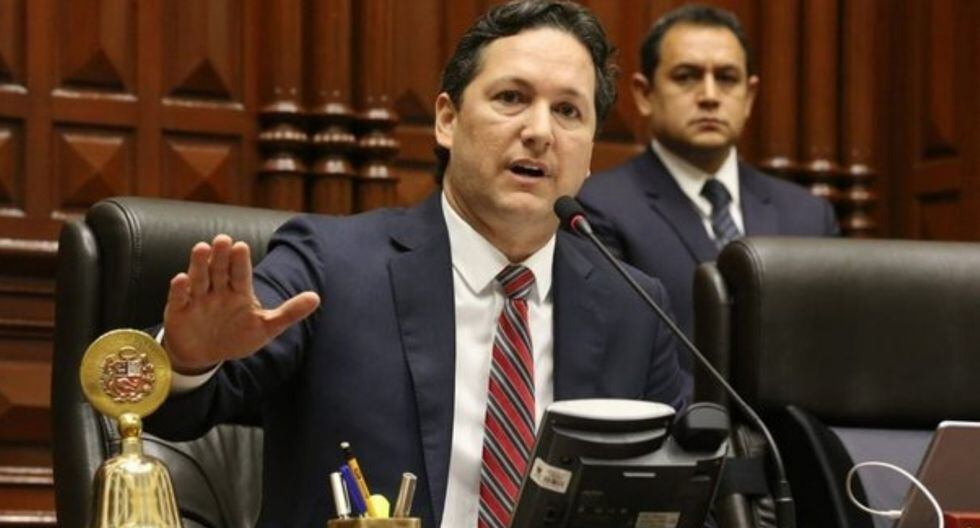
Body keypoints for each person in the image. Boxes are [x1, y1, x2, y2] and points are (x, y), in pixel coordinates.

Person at [145, 1, 691, 526]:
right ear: (447, 120)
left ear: (590, 150)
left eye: (568, 111)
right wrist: (190, 360)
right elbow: (172, 411)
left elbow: (687, 499)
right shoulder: (330, 265)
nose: (540, 131)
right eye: (511, 98)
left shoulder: (634, 308)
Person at [577, 4, 838, 367]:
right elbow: (619, 353)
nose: (710, 95)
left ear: (749, 97)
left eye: (727, 78)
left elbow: (830, 349)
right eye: (687, 77)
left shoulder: (808, 216)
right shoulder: (598, 209)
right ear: (644, 94)